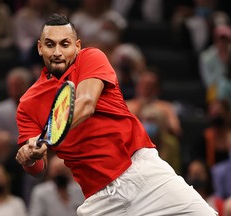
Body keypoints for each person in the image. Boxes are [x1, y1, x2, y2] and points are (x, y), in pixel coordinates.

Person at [15, 14, 217, 215]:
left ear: (77, 46)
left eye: (64, 44)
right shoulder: (27, 105)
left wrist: (49, 136)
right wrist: (30, 157)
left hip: (144, 174)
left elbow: (86, 104)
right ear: (40, 47)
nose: (57, 52)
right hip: (100, 198)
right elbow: (39, 169)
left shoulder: (90, 57)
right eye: (50, 45)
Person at [125, 69, 182, 137]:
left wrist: (160, 121)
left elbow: (176, 130)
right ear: (137, 86)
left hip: (160, 143)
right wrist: (140, 107)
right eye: (143, 84)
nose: (146, 88)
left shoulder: (166, 107)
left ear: (157, 88)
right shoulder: (126, 105)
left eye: (150, 85)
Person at [0, 67, 33, 143]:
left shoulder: (40, 109)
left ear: (28, 86)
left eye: (18, 86)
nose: (14, 90)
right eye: (11, 86)